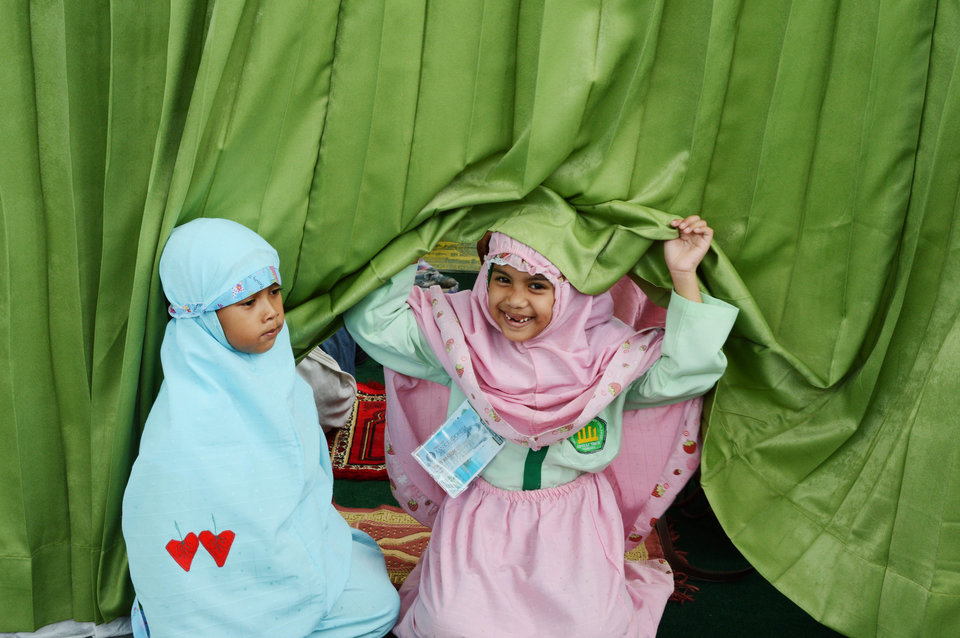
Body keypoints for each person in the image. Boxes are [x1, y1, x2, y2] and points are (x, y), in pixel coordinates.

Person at [344, 215, 739, 637]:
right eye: (502, 279)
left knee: (594, 630)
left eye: (537, 285)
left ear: (572, 290)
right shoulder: (462, 337)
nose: (514, 301)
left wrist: (682, 273)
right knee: (449, 626)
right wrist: (416, 236)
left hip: (572, 524)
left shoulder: (607, 356)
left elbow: (686, 373)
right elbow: (375, 325)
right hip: (482, 516)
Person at [122, 218, 399, 638]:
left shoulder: (282, 380)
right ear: (204, 318)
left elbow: (304, 491)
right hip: (223, 585)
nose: (271, 312)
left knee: (379, 602)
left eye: (273, 292)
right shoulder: (186, 418)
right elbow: (166, 520)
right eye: (247, 302)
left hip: (290, 559)